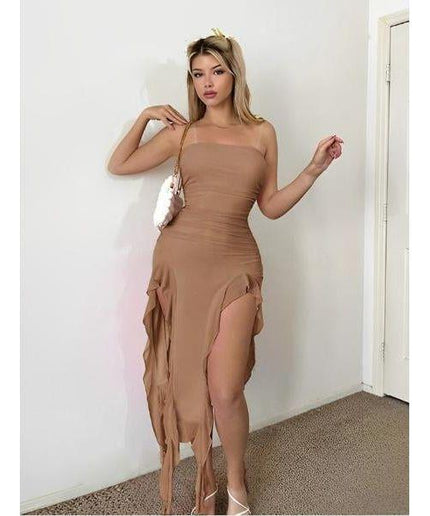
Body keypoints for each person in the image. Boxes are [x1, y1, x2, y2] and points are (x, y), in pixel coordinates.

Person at [108, 28, 343, 516]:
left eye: (217, 71)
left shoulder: (262, 133)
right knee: (189, 386)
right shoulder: (183, 133)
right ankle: (207, 484)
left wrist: (313, 170)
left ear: (235, 74)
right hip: (179, 265)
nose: (208, 83)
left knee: (225, 388)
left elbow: (270, 206)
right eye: (197, 75)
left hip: (236, 264)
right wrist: (146, 117)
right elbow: (120, 164)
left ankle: (238, 482)